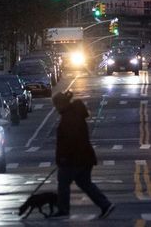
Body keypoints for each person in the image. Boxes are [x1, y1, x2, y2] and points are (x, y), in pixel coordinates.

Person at [52, 91, 114, 219]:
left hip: (74, 159)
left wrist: (64, 157)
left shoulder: (69, 117)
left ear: (61, 104)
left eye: (56, 105)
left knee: (63, 182)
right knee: (85, 183)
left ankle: (63, 209)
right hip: (83, 157)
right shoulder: (73, 114)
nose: (56, 108)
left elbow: (71, 139)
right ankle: (105, 204)